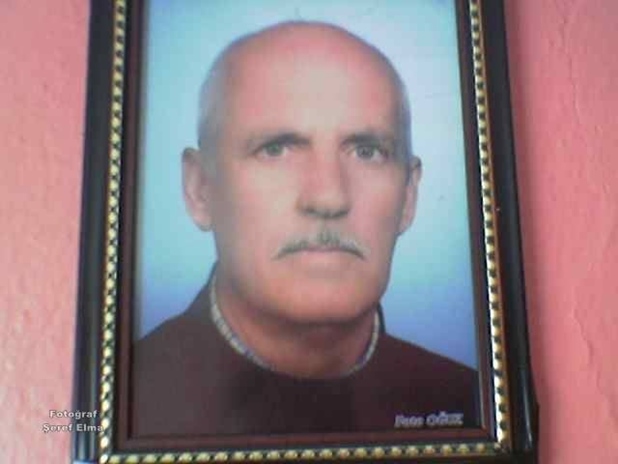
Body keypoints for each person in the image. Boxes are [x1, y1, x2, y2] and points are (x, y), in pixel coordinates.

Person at [132, 21, 478, 437]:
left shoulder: (469, 405)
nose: (328, 198)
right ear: (200, 188)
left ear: (408, 196)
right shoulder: (116, 412)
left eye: (367, 152)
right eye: (276, 149)